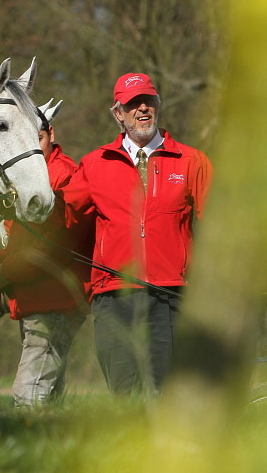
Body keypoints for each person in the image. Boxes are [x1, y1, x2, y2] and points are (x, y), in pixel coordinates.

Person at [61, 73, 212, 394]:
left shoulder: (191, 161)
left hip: (171, 297)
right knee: (124, 394)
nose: (143, 109)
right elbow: (65, 220)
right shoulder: (93, 163)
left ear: (158, 105)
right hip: (113, 297)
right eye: (133, 104)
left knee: (167, 393)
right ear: (118, 113)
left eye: (149, 101)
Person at [0, 99, 92, 406]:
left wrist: (5, 272)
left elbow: (53, 246)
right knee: (48, 398)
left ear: (52, 134)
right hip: (39, 299)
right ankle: (55, 449)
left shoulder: (62, 174)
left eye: (38, 138)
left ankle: (28, 445)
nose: (33, 146)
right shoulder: (29, 177)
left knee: (28, 395)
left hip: (55, 301)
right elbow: (24, 243)